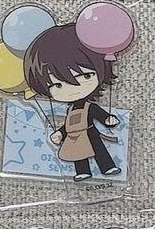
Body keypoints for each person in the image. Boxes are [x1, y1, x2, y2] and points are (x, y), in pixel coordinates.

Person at [24, 22, 121, 181]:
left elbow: (99, 114)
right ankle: (82, 171)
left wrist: (107, 119)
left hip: (90, 132)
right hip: (73, 136)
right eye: (57, 85)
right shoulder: (69, 110)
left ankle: (108, 166)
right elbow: (67, 125)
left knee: (98, 148)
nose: (72, 89)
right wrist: (60, 133)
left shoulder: (89, 106)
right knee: (77, 153)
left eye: (85, 76)